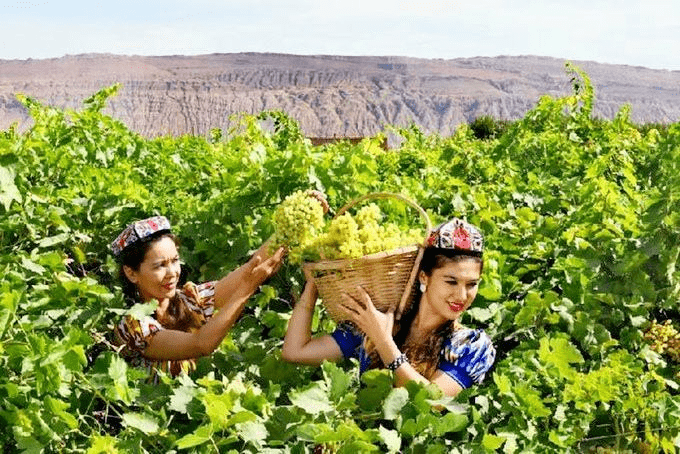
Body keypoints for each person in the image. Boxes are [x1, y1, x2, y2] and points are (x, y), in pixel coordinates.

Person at [282, 217, 495, 397]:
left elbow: (432, 402)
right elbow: (295, 352)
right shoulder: (381, 321)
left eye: (471, 285)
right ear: (424, 277)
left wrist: (383, 342)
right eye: (451, 282)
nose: (461, 295)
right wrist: (315, 282)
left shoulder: (471, 346)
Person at [111, 215, 285, 377]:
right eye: (159, 266)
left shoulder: (189, 298)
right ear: (131, 273)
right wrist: (249, 286)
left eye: (175, 260)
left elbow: (250, 269)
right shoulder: (134, 326)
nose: (172, 273)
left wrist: (293, 223)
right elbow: (201, 344)